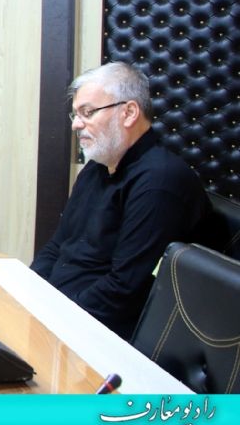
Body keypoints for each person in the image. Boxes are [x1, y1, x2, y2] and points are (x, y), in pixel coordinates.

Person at [30, 62, 209, 339]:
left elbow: (123, 289)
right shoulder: (97, 167)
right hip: (61, 311)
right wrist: (27, 292)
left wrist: (53, 319)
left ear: (129, 113)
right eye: (76, 114)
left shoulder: (160, 183)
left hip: (101, 332)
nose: (76, 124)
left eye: (88, 112)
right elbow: (58, 246)